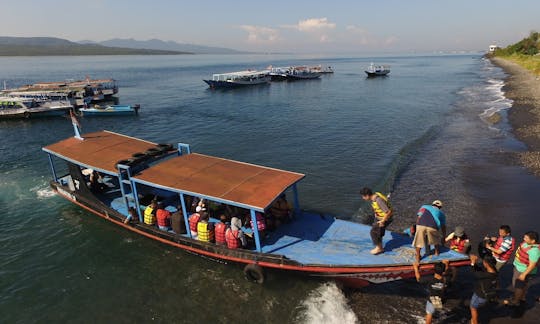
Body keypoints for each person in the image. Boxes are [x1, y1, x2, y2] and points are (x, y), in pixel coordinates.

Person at [504, 231, 540, 307]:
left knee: (517, 285)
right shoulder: (527, 244)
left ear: (533, 241)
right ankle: (522, 297)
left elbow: (532, 265)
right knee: (523, 285)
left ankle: (515, 301)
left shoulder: (534, 251)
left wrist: (523, 274)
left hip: (522, 271)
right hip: (519, 268)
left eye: (526, 238)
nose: (524, 238)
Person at [360, 187, 393, 255]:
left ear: (367, 195)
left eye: (363, 196)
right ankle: (380, 246)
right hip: (379, 217)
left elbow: (388, 212)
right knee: (379, 232)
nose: (363, 198)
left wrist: (383, 221)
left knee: (373, 232)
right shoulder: (374, 197)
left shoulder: (378, 200)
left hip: (384, 219)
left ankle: (379, 248)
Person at [468, 254, 498, 324]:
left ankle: (474, 322)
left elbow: (475, 274)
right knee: (476, 306)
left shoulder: (486, 275)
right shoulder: (494, 271)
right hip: (488, 293)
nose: (482, 263)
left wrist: (472, 262)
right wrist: (475, 263)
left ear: (487, 264)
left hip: (480, 295)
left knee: (473, 307)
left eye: (484, 262)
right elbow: (479, 270)